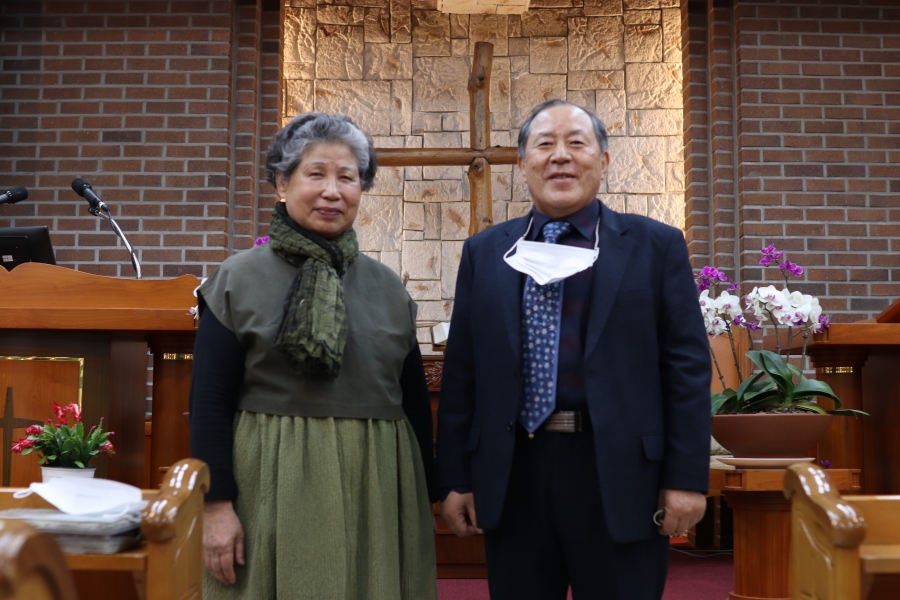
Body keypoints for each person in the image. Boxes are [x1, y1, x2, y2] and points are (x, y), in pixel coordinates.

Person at [435, 99, 711, 600]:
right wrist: (456, 477)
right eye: (544, 144)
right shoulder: (485, 252)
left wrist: (686, 477)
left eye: (576, 143)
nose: (560, 156)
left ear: (602, 161)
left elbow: (686, 371)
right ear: (523, 164)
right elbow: (463, 374)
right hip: (514, 471)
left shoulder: (656, 247)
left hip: (621, 473)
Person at [189, 112, 437, 599]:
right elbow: (209, 402)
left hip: (377, 483)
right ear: (282, 183)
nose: (332, 191)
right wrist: (215, 506)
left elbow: (412, 402)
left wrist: (424, 496)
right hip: (271, 479)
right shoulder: (236, 280)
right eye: (316, 174)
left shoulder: (389, 288)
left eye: (347, 177)